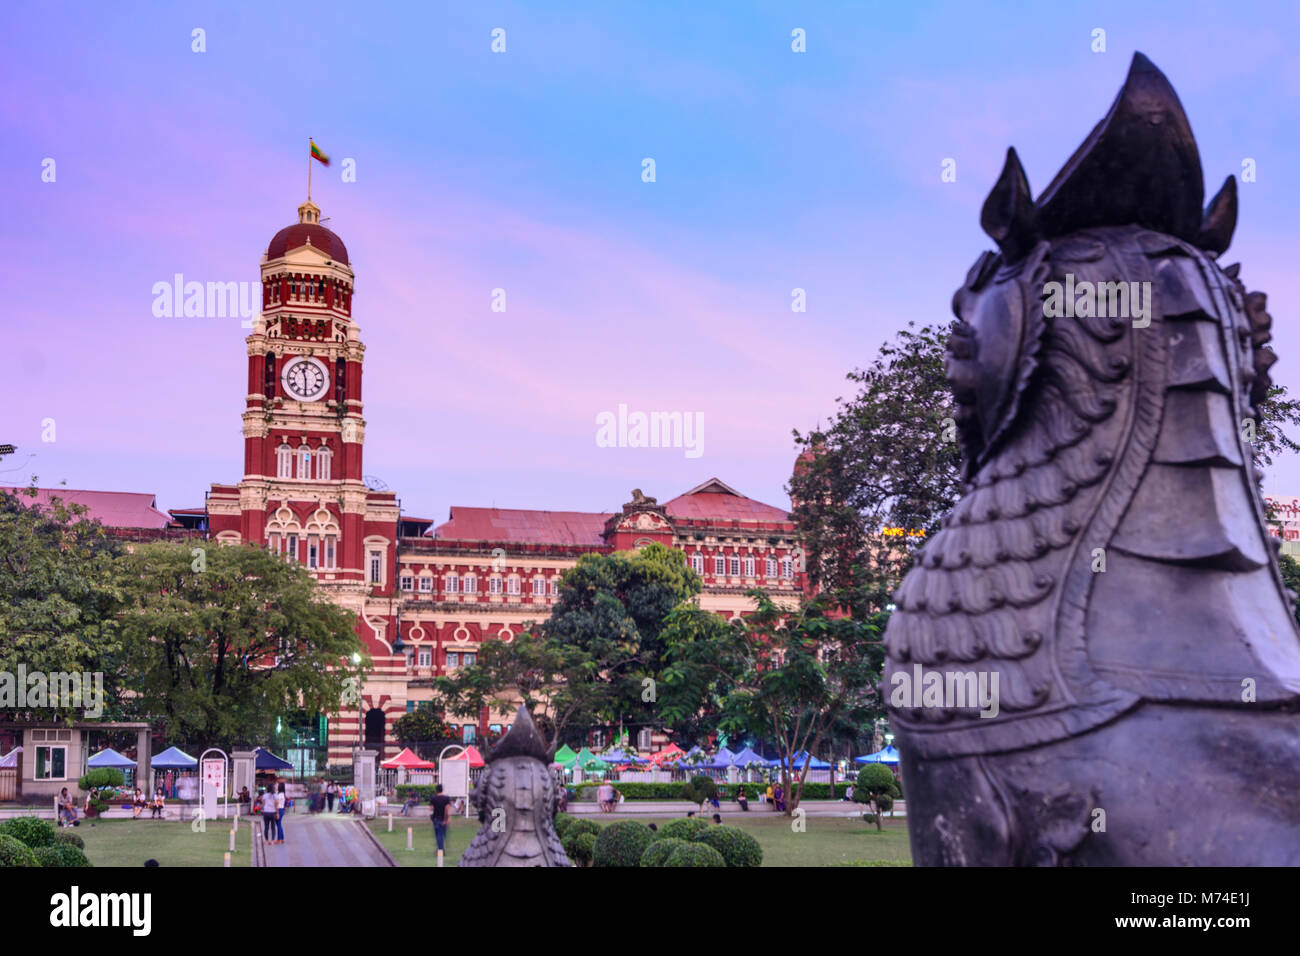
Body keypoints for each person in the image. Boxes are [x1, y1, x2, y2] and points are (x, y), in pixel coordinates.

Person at [429, 784, 453, 854]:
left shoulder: (433, 798)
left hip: (436, 818)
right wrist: (447, 819)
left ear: (436, 790)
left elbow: (430, 808)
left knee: (438, 836)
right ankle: (440, 849)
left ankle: (441, 851)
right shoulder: (446, 798)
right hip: (444, 818)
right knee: (442, 835)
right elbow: (447, 809)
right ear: (442, 789)